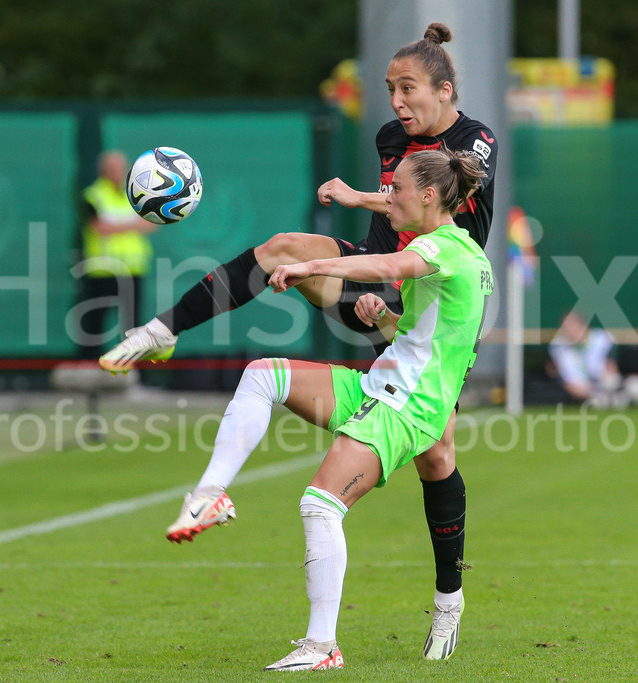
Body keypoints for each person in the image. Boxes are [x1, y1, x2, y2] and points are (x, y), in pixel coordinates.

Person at [100, 22, 498, 660]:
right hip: (376, 285)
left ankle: (447, 599)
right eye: (390, 88)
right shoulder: (393, 138)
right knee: (278, 256)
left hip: (431, 305)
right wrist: (336, 258)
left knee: (436, 457)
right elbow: (399, 218)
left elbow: (429, 212)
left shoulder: (473, 145)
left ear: (445, 90)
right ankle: (162, 330)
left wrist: (353, 202)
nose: (396, 102)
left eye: (408, 89)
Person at [163, 148, 491, 671]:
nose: (389, 198)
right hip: (383, 385)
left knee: (320, 505)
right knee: (262, 374)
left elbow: (387, 264)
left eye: (397, 189)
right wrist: (385, 317)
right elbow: (429, 341)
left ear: (429, 196)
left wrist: (310, 265)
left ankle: (322, 648)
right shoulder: (456, 250)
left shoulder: (447, 247)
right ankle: (210, 495)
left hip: (407, 408)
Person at [74, 150, 157, 359]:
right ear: (102, 171)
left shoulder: (137, 195)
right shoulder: (92, 196)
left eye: (120, 168)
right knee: (95, 322)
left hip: (133, 268)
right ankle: (90, 366)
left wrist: (116, 226)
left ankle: (132, 370)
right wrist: (132, 224)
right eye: (112, 169)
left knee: (133, 325)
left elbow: (151, 224)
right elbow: (98, 227)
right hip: (103, 270)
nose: (117, 173)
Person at [548, 311, 638, 408]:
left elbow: (612, 366)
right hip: (587, 391)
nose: (570, 329)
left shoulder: (601, 338)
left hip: (609, 384)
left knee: (636, 388)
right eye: (566, 326)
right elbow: (563, 378)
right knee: (599, 403)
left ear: (583, 325)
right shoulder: (558, 346)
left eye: (572, 325)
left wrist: (612, 375)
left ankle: (624, 399)